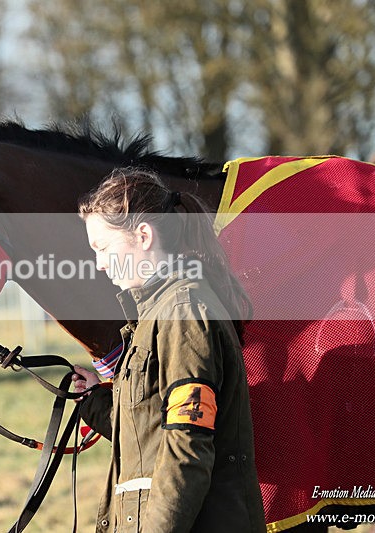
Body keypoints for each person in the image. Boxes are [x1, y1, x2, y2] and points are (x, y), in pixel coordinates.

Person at [72, 168, 265, 532]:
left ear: (143, 235)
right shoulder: (157, 313)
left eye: (103, 247)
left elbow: (186, 449)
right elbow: (151, 430)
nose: (98, 263)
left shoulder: (183, 314)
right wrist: (92, 400)